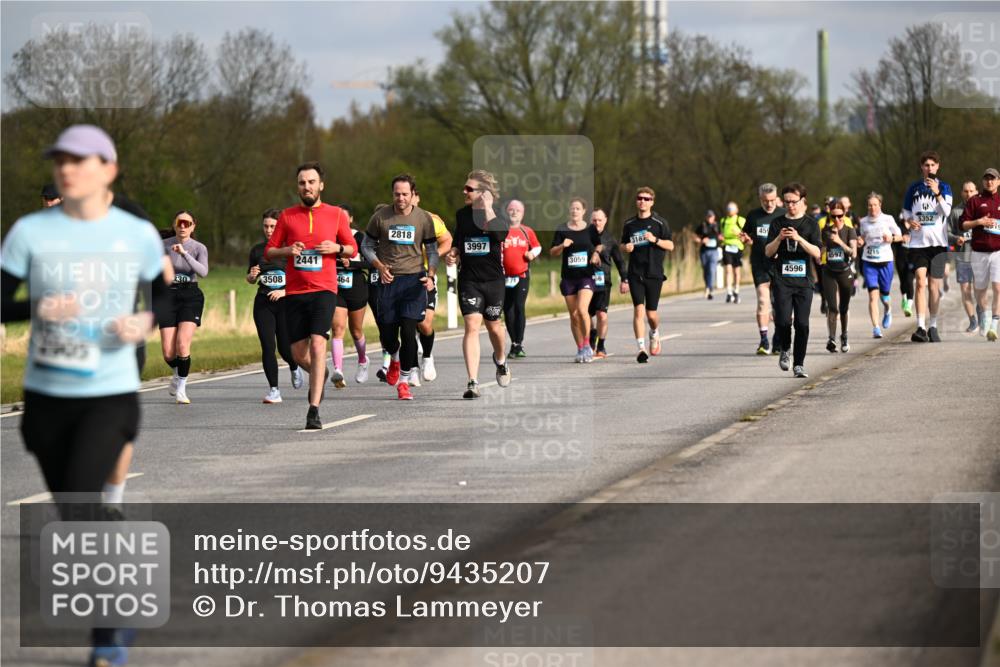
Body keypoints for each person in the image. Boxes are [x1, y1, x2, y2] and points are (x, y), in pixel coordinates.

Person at [1, 124, 167, 667]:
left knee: (79, 501)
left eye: (79, 160)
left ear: (107, 170)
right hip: (46, 398)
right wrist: (37, 309)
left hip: (110, 395)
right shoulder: (30, 232)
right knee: (75, 516)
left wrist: (142, 322)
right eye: (60, 160)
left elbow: (168, 299)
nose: (66, 169)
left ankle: (106, 636)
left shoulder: (134, 232)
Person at [265, 161, 356, 428]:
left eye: (311, 182)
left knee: (318, 344)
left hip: (324, 290)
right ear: (298, 187)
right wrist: (287, 251)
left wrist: (336, 247)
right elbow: (270, 251)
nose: (307, 187)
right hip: (295, 291)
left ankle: (313, 410)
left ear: (321, 185)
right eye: (302, 183)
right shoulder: (287, 216)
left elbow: (351, 248)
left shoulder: (336, 214)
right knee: (297, 353)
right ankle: (321, 372)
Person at [361, 174, 439, 400]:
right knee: (387, 334)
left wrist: (431, 275)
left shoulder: (423, 218)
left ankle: (404, 380)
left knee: (408, 330)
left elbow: (432, 251)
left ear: (413, 194)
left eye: (405, 194)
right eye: (397, 194)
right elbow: (366, 246)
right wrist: (378, 266)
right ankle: (394, 358)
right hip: (388, 280)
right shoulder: (380, 217)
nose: (401, 198)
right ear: (392, 194)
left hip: (414, 280)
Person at [446, 169, 513, 398]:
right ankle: (472, 382)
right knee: (472, 325)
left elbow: (500, 236)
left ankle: (501, 359)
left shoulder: (498, 213)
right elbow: (459, 238)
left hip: (494, 280)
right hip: (469, 280)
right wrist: (454, 252)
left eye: (469, 189)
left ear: (483, 193)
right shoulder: (462, 214)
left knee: (493, 325)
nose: (464, 191)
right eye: (464, 187)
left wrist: (487, 208)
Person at [765, 183, 821, 378]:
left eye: (794, 202)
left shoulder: (811, 224)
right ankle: (785, 349)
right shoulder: (777, 223)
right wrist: (779, 239)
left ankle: (799, 364)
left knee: (802, 324)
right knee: (782, 321)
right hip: (782, 280)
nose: (790, 205)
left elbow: (817, 253)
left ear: (802, 201)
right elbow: (768, 251)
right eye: (787, 202)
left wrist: (799, 239)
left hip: (804, 282)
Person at [247, 208, 303, 403]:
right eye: (265, 226)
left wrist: (284, 291)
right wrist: (252, 276)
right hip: (263, 302)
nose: (269, 230)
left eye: (273, 226)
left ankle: (294, 367)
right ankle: (274, 390)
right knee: (268, 346)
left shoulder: (291, 249)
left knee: (286, 350)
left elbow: (302, 279)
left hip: (286, 303)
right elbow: (250, 278)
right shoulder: (257, 250)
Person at [158, 210, 209, 404]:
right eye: (180, 222)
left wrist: (185, 254)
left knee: (182, 344)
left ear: (193, 226)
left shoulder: (198, 248)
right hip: (168, 296)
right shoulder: (163, 245)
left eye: (187, 223)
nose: (182, 226)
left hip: (190, 295)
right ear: (174, 224)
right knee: (168, 353)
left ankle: (181, 387)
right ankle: (178, 372)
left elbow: (203, 272)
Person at [901, 150, 953, 342]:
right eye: (926, 165)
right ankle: (920, 326)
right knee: (920, 281)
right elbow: (905, 213)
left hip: (938, 244)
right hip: (918, 244)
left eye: (932, 165)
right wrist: (909, 222)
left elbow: (946, 211)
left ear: (937, 167)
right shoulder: (913, 188)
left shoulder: (945, 187)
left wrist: (937, 192)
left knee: (933, 285)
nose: (929, 168)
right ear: (921, 167)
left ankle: (933, 325)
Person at [620, 186, 674, 363]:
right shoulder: (629, 224)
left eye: (646, 199)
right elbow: (622, 244)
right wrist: (625, 247)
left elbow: (671, 246)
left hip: (654, 272)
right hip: (635, 272)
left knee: (651, 314)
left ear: (652, 202)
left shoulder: (660, 223)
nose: (642, 201)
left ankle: (654, 332)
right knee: (638, 310)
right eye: (639, 198)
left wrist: (655, 240)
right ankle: (641, 348)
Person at [550, 197, 602, 362]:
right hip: (569, 278)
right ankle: (580, 348)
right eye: (572, 208)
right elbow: (553, 252)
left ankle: (587, 344)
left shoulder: (590, 229)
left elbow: (599, 244)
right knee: (573, 315)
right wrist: (562, 246)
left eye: (578, 209)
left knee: (581, 310)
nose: (574, 211)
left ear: (584, 211)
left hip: (586, 276)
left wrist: (595, 253)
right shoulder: (562, 229)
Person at [410, 190, 452, 385]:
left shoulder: (430, 219)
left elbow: (447, 240)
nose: (405, 199)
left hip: (425, 276)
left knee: (425, 324)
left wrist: (433, 256)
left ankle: (427, 357)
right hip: (401, 277)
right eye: (400, 194)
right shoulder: (391, 219)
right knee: (407, 325)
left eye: (409, 195)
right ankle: (411, 368)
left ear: (417, 197)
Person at [329, 203, 372, 386]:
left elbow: (371, 263)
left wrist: (352, 264)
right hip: (336, 287)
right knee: (338, 328)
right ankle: (338, 370)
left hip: (356, 286)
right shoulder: (329, 237)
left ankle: (363, 360)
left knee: (356, 331)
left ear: (351, 220)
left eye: (345, 219)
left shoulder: (359, 237)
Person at [742, 183, 786, 355]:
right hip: (760, 264)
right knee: (763, 301)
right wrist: (746, 240)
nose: (769, 204)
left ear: (777, 199)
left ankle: (777, 339)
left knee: (780, 306)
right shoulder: (753, 216)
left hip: (780, 265)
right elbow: (748, 236)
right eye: (766, 201)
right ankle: (764, 340)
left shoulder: (783, 214)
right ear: (760, 199)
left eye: (773, 200)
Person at [960, 167, 1000, 341]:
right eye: (986, 179)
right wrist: (979, 222)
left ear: (998, 181)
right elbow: (963, 224)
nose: (989, 181)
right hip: (979, 252)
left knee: (998, 287)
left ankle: (994, 324)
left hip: (998, 251)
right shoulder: (975, 201)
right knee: (980, 289)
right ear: (983, 181)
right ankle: (984, 313)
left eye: (993, 179)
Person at [858, 193, 903, 338]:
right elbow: (863, 237)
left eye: (875, 205)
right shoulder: (863, 221)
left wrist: (891, 238)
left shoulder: (888, 219)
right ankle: (876, 328)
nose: (872, 208)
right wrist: (860, 241)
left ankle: (888, 309)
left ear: (880, 205)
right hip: (869, 262)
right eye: (870, 205)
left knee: (884, 295)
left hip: (885, 262)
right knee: (872, 296)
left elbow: (901, 236)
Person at [502, 199, 541, 357]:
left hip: (521, 275)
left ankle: (519, 343)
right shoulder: (501, 230)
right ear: (507, 212)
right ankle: (514, 343)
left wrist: (532, 253)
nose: (514, 212)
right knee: (507, 310)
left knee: (519, 307)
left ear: (522, 213)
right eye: (511, 209)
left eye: (517, 210)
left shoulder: (527, 231)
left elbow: (537, 246)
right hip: (503, 277)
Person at [588, 207, 627, 358]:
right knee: (586, 315)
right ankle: (591, 337)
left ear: (605, 221)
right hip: (586, 280)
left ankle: (601, 345)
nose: (597, 223)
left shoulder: (610, 239)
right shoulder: (585, 237)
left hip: (603, 281)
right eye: (594, 220)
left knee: (602, 315)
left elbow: (619, 261)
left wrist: (624, 279)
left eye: (599, 220)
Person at [820, 203, 858, 352]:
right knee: (832, 307)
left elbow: (853, 253)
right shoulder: (826, 231)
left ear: (844, 214)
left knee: (843, 308)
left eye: (840, 216)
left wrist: (839, 241)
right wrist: (819, 253)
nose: (837, 219)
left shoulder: (850, 231)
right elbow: (822, 248)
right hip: (829, 271)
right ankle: (831, 339)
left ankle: (844, 336)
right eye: (833, 216)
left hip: (844, 272)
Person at [950, 181, 981, 333]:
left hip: (981, 256)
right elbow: (947, 233)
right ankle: (973, 321)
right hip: (963, 257)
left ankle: (981, 314)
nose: (969, 194)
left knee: (979, 290)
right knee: (965, 290)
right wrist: (956, 238)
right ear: (962, 193)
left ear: (976, 192)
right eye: (965, 191)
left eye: (971, 191)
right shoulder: (956, 212)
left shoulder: (983, 209)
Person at [720, 202, 747, 303]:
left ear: (737, 210)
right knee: (728, 269)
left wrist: (740, 234)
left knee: (736, 271)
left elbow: (746, 235)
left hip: (737, 247)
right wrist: (721, 237)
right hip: (727, 247)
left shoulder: (741, 220)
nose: (729, 209)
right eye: (728, 208)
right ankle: (729, 292)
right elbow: (722, 233)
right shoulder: (723, 221)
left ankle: (736, 290)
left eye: (732, 208)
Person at [695, 210, 721, 299]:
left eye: (711, 216)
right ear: (706, 217)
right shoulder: (702, 225)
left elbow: (722, 235)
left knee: (712, 269)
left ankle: (710, 289)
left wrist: (721, 238)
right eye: (708, 217)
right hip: (704, 251)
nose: (710, 218)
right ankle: (707, 286)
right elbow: (695, 237)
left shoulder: (717, 225)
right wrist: (701, 241)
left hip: (714, 251)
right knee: (706, 270)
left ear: (714, 217)